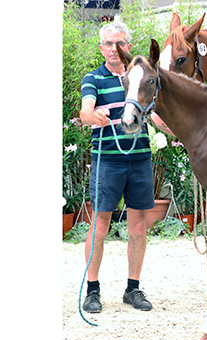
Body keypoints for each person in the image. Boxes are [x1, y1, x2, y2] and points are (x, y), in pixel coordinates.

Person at [79, 20, 153, 313]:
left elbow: (158, 116)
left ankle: (132, 289)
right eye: (109, 44)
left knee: (137, 226)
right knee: (100, 227)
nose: (114, 49)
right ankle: (93, 290)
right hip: (107, 160)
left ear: (128, 47)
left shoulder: (140, 77)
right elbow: (86, 110)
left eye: (119, 43)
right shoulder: (93, 79)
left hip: (140, 160)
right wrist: (91, 114)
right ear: (101, 48)